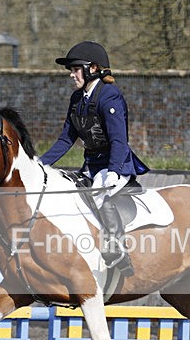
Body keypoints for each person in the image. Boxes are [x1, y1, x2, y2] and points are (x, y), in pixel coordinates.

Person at [40, 41, 148, 277]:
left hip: (115, 164)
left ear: (93, 68)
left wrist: (114, 171)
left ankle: (117, 248)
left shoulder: (110, 95)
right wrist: (39, 164)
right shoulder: (77, 99)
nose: (72, 74)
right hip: (91, 165)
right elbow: (66, 140)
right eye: (71, 70)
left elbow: (119, 140)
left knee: (100, 192)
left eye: (75, 69)